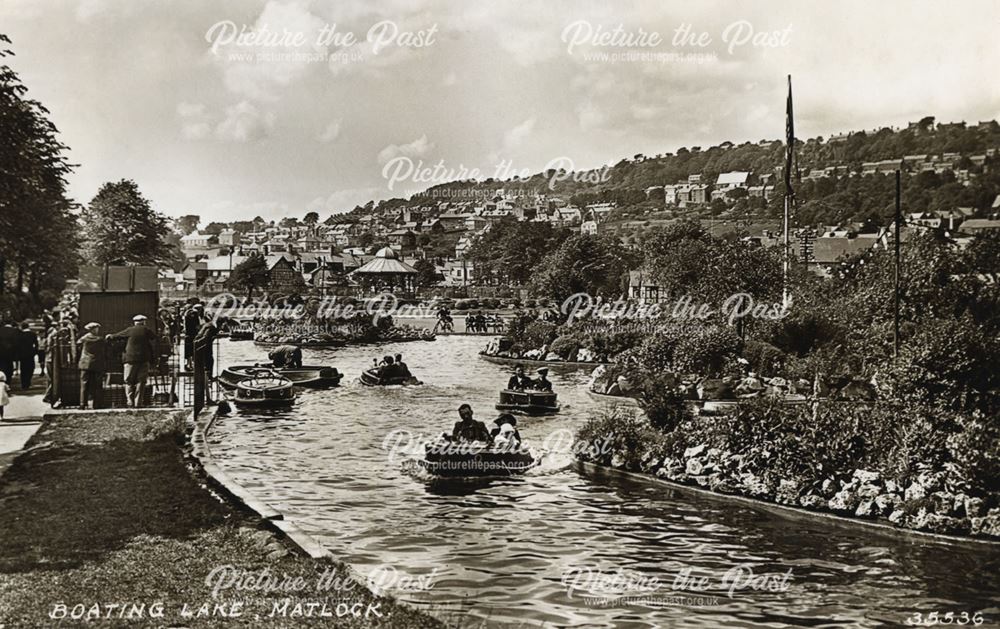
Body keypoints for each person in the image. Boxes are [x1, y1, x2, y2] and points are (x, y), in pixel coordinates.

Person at [108, 314, 157, 408]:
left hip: (129, 359)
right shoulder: (146, 330)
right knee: (141, 381)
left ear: (135, 322)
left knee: (128, 381)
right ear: (143, 322)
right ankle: (138, 402)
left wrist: (110, 336)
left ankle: (130, 402)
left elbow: (117, 336)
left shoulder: (129, 330)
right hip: (143, 359)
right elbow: (154, 338)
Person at [76, 322, 105, 409]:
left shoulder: (84, 338)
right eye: (96, 328)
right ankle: (97, 404)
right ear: (93, 329)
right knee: (97, 384)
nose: (98, 330)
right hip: (96, 364)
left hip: (85, 364)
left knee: (84, 384)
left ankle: (82, 404)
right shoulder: (100, 339)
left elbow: (77, 344)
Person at [194, 316, 219, 403]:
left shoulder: (205, 325)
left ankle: (208, 376)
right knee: (209, 361)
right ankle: (209, 376)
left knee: (206, 362)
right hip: (205, 347)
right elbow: (206, 336)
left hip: (202, 346)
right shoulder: (210, 326)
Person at [16, 323, 38, 390]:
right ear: (28, 326)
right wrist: (35, 352)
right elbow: (36, 344)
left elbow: (18, 345)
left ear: (22, 327)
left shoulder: (20, 335)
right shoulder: (33, 334)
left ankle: (24, 384)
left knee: (23, 369)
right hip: (30, 354)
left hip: (22, 355)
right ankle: (28, 382)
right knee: (30, 368)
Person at [0, 319, 17, 385]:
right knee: (9, 366)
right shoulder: (14, 331)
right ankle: (8, 382)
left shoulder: (0, 330)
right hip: (10, 352)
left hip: (1, 351)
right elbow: (16, 343)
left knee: (2, 366)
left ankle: (2, 380)